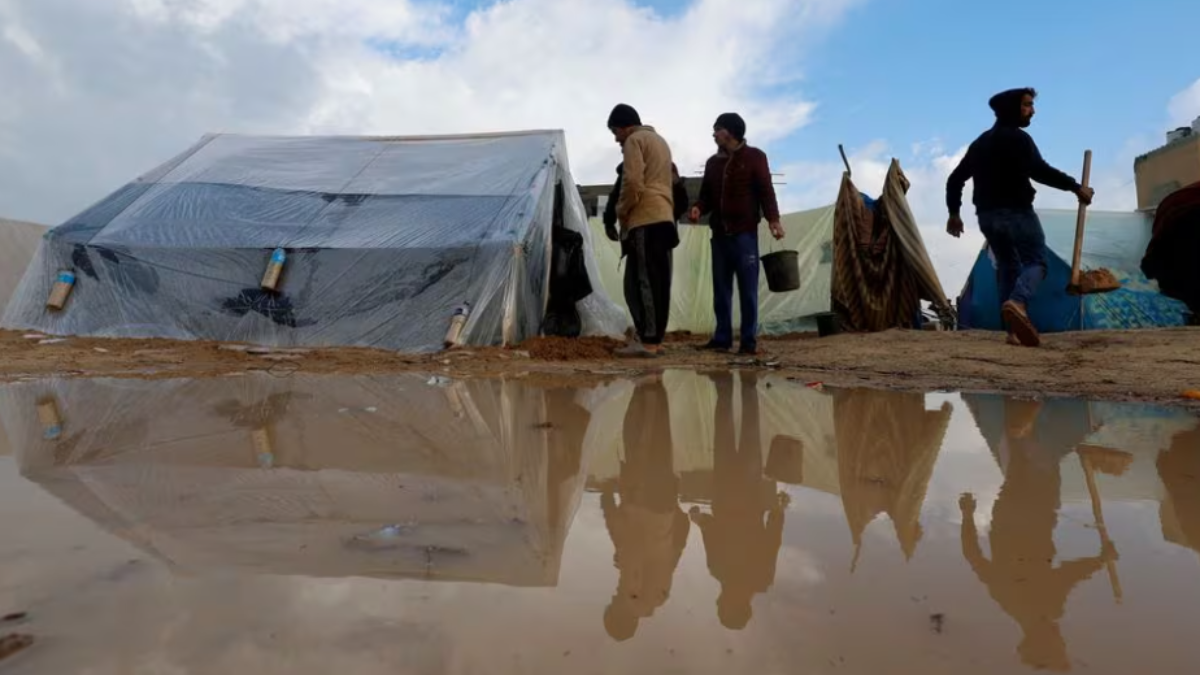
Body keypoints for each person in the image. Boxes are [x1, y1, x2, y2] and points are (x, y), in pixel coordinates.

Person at [945, 87, 1094, 348]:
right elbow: (1039, 171)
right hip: (1017, 212)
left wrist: (954, 214)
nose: (1032, 111)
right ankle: (1019, 301)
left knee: (1007, 266)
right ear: (1012, 109)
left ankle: (1012, 333)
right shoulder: (1019, 139)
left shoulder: (980, 143)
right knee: (1036, 261)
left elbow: (955, 179)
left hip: (988, 217)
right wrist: (1075, 187)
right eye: (1027, 105)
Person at [689, 113, 784, 356]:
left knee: (748, 290)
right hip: (719, 235)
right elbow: (706, 195)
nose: (713, 134)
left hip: (745, 235)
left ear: (730, 132)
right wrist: (699, 207)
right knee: (721, 289)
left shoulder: (755, 157)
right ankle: (722, 339)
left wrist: (774, 219)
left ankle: (748, 342)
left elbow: (766, 190)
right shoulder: (712, 163)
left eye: (717, 129)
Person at [607, 103, 679, 358]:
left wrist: (621, 211)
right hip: (664, 218)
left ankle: (648, 342)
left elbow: (633, 182)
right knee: (659, 282)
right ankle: (655, 339)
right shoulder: (660, 142)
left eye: (616, 132)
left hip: (645, 219)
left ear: (625, 126)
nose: (616, 139)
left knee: (642, 283)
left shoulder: (634, 141)